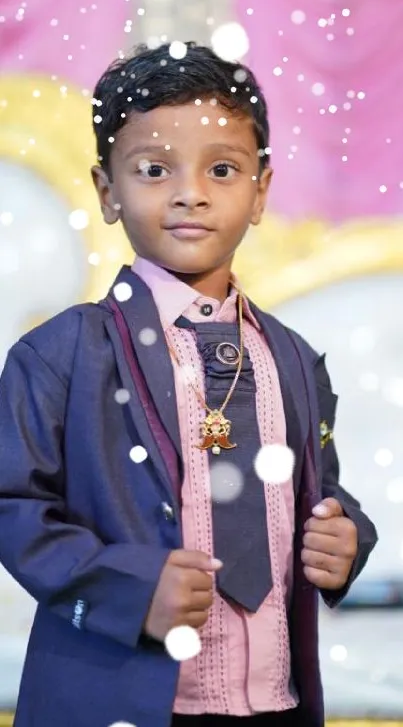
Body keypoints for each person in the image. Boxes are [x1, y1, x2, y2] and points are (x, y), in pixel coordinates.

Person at [0, 42, 377, 727]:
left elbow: (320, 489)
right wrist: (124, 587)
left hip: (272, 696)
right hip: (125, 699)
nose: (190, 191)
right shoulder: (59, 354)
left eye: (223, 169)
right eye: (152, 169)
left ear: (260, 191)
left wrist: (345, 535)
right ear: (107, 190)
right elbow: (12, 502)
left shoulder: (293, 358)